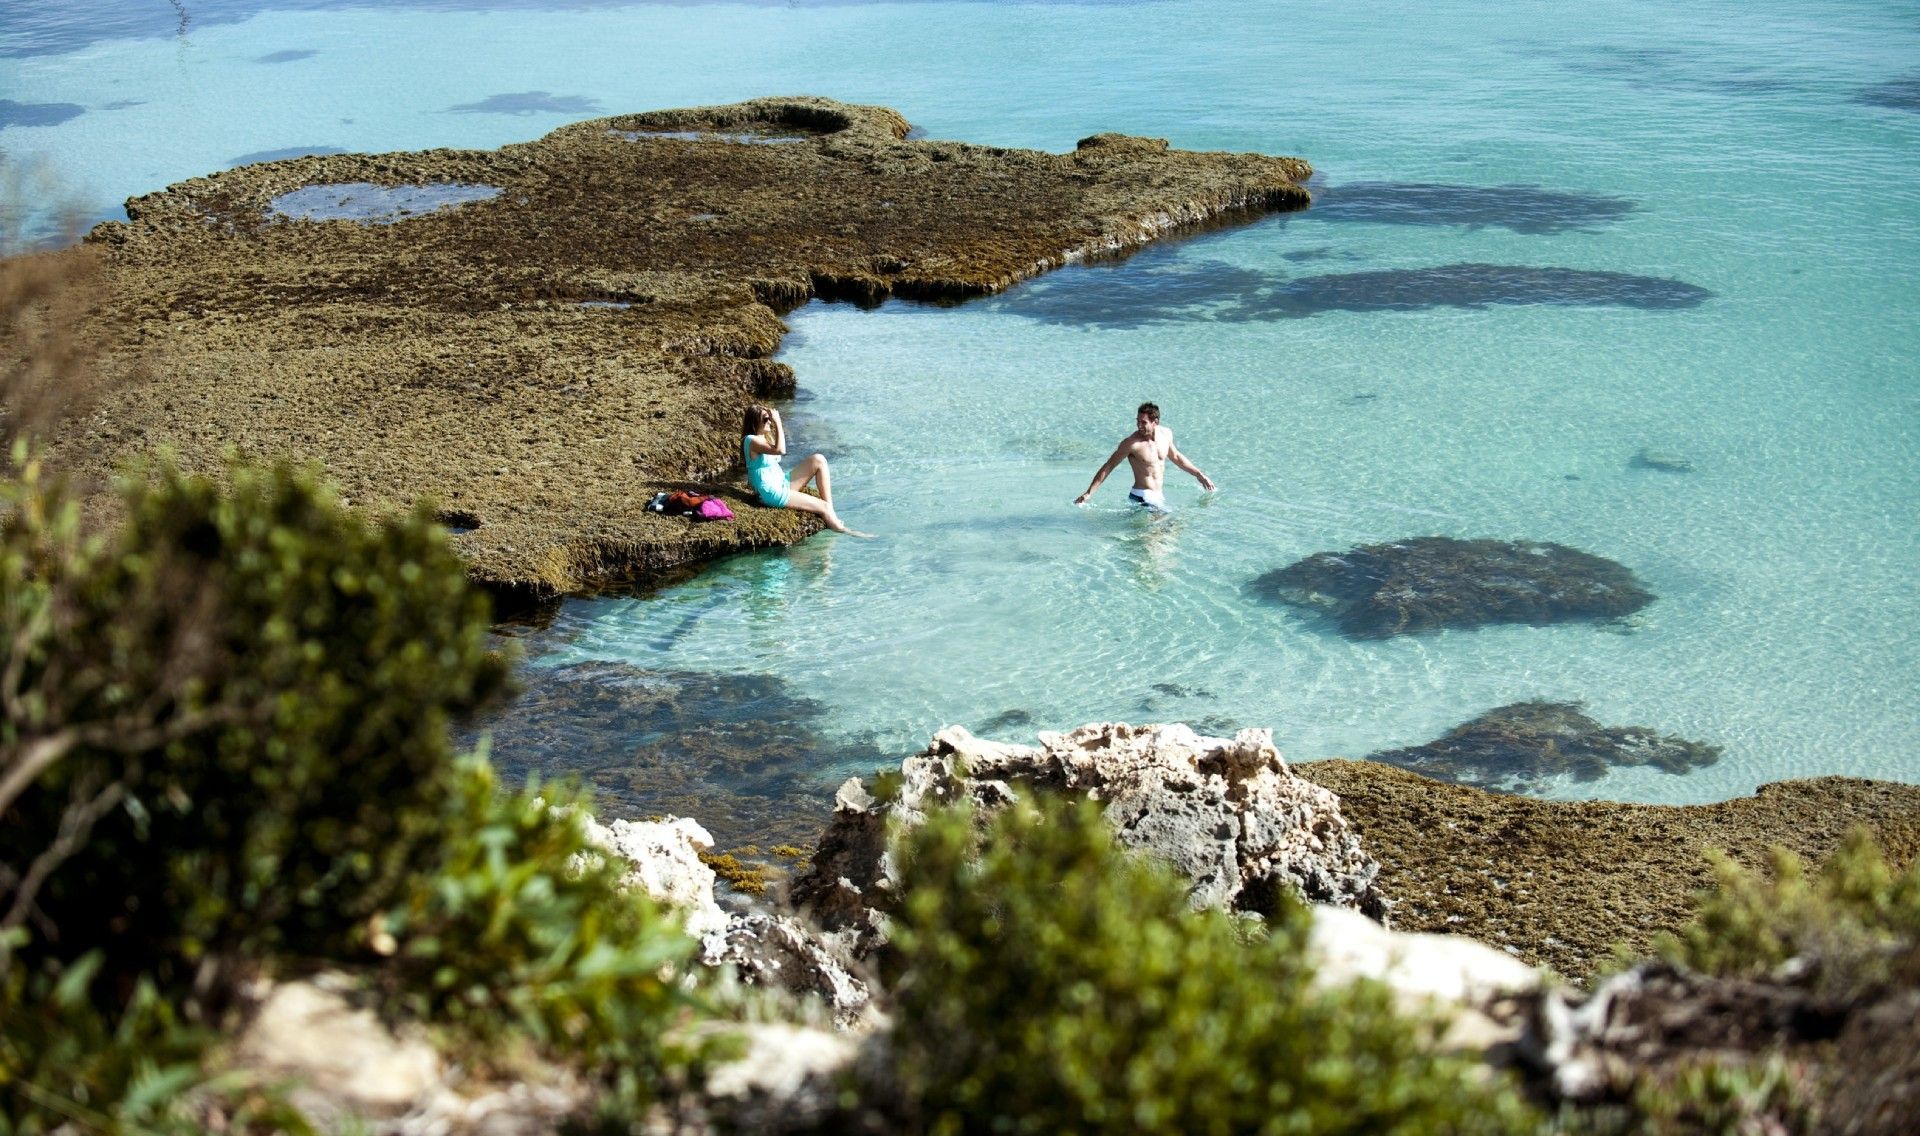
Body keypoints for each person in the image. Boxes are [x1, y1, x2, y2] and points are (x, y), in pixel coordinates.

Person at [743, 404, 871, 537]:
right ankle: (847, 532)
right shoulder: (750, 440)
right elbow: (781, 450)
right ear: (755, 421)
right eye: (765, 419)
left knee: (818, 460)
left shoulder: (764, 438)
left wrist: (774, 423)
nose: (769, 421)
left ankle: (830, 512)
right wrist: (778, 422)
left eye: (769, 418)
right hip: (770, 491)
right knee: (823, 507)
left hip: (782, 483)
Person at [1074, 401, 1215, 511]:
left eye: (1143, 422)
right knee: (1167, 527)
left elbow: (1176, 457)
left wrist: (1199, 474)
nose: (1139, 425)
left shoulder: (1166, 434)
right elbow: (1109, 466)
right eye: (1137, 421)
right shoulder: (1131, 443)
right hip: (1142, 495)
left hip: (1157, 496)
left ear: (1155, 422)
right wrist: (1089, 493)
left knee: (1160, 539)